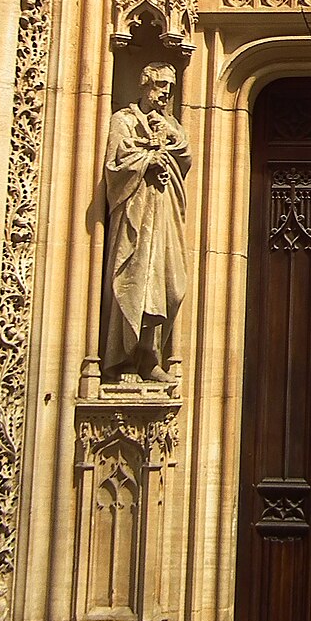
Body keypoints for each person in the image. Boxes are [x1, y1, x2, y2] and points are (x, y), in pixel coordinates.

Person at [102, 62, 192, 383]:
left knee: (170, 285)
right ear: (145, 84)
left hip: (164, 213)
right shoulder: (123, 121)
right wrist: (148, 159)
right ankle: (127, 361)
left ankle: (151, 356)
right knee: (136, 282)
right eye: (161, 85)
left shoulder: (170, 124)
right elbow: (116, 164)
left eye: (170, 88)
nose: (166, 93)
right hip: (135, 215)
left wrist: (168, 141)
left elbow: (185, 156)